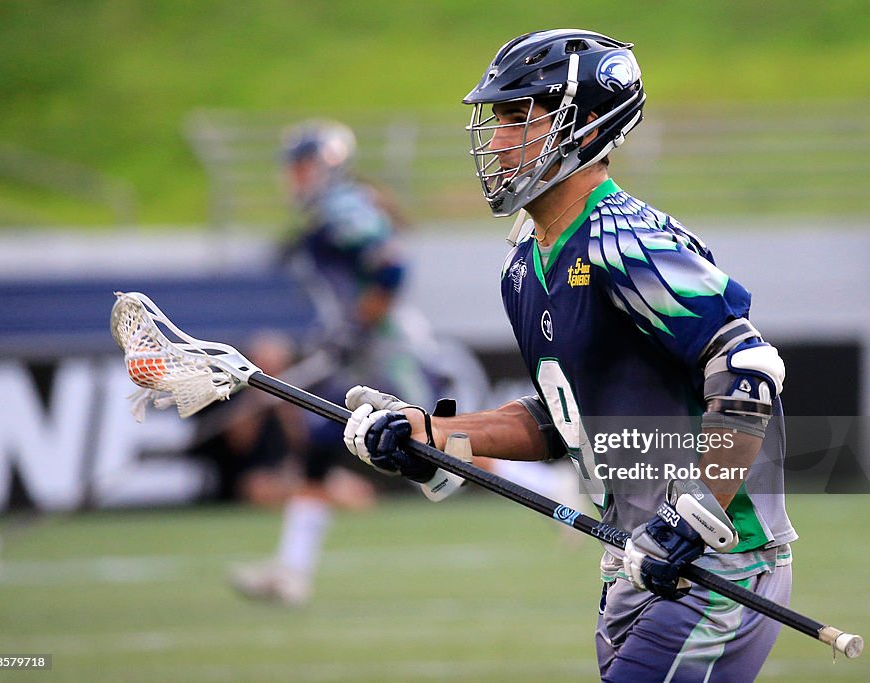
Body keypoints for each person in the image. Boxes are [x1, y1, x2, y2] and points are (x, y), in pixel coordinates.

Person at [340, 29, 796, 681]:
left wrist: (690, 518)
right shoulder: (525, 260)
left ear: (586, 123)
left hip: (713, 565)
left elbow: (748, 371)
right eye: (497, 118)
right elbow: (562, 421)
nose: (498, 140)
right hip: (637, 561)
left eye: (519, 116)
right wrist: (435, 433)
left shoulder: (624, 241)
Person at [227, 121, 434, 606]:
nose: (292, 178)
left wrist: (358, 328)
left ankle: (543, 484)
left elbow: (391, 267)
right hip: (359, 345)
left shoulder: (343, 207)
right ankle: (292, 570)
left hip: (383, 348)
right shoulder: (331, 210)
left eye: (300, 166)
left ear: (324, 165)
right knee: (320, 444)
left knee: (438, 438)